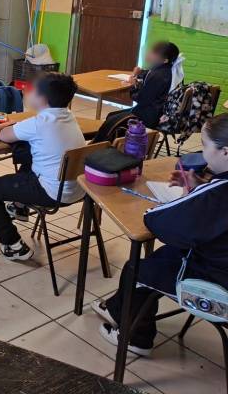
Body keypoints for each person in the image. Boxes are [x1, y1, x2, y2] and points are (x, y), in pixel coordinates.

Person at [91, 114, 228, 357]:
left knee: (136, 270)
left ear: (225, 152)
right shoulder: (215, 190)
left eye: (205, 146)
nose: (202, 152)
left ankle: (136, 339)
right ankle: (116, 310)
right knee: (164, 256)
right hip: (219, 265)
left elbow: (158, 221)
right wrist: (197, 188)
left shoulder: (218, 193)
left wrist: (191, 196)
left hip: (218, 292)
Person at [0, 73, 86, 260]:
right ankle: (19, 207)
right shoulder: (68, 116)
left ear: (42, 98)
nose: (25, 92)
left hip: (51, 192)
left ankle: (12, 245)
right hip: (79, 189)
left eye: (31, 90)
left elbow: (2, 136)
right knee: (29, 159)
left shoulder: (38, 123)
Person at [93, 41, 182, 142]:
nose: (150, 54)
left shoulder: (158, 76)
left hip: (148, 116)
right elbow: (146, 75)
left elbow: (141, 98)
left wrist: (132, 86)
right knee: (112, 116)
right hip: (154, 111)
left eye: (154, 53)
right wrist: (137, 75)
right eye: (152, 51)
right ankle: (108, 144)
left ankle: (102, 144)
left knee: (113, 120)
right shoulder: (165, 70)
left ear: (165, 60)